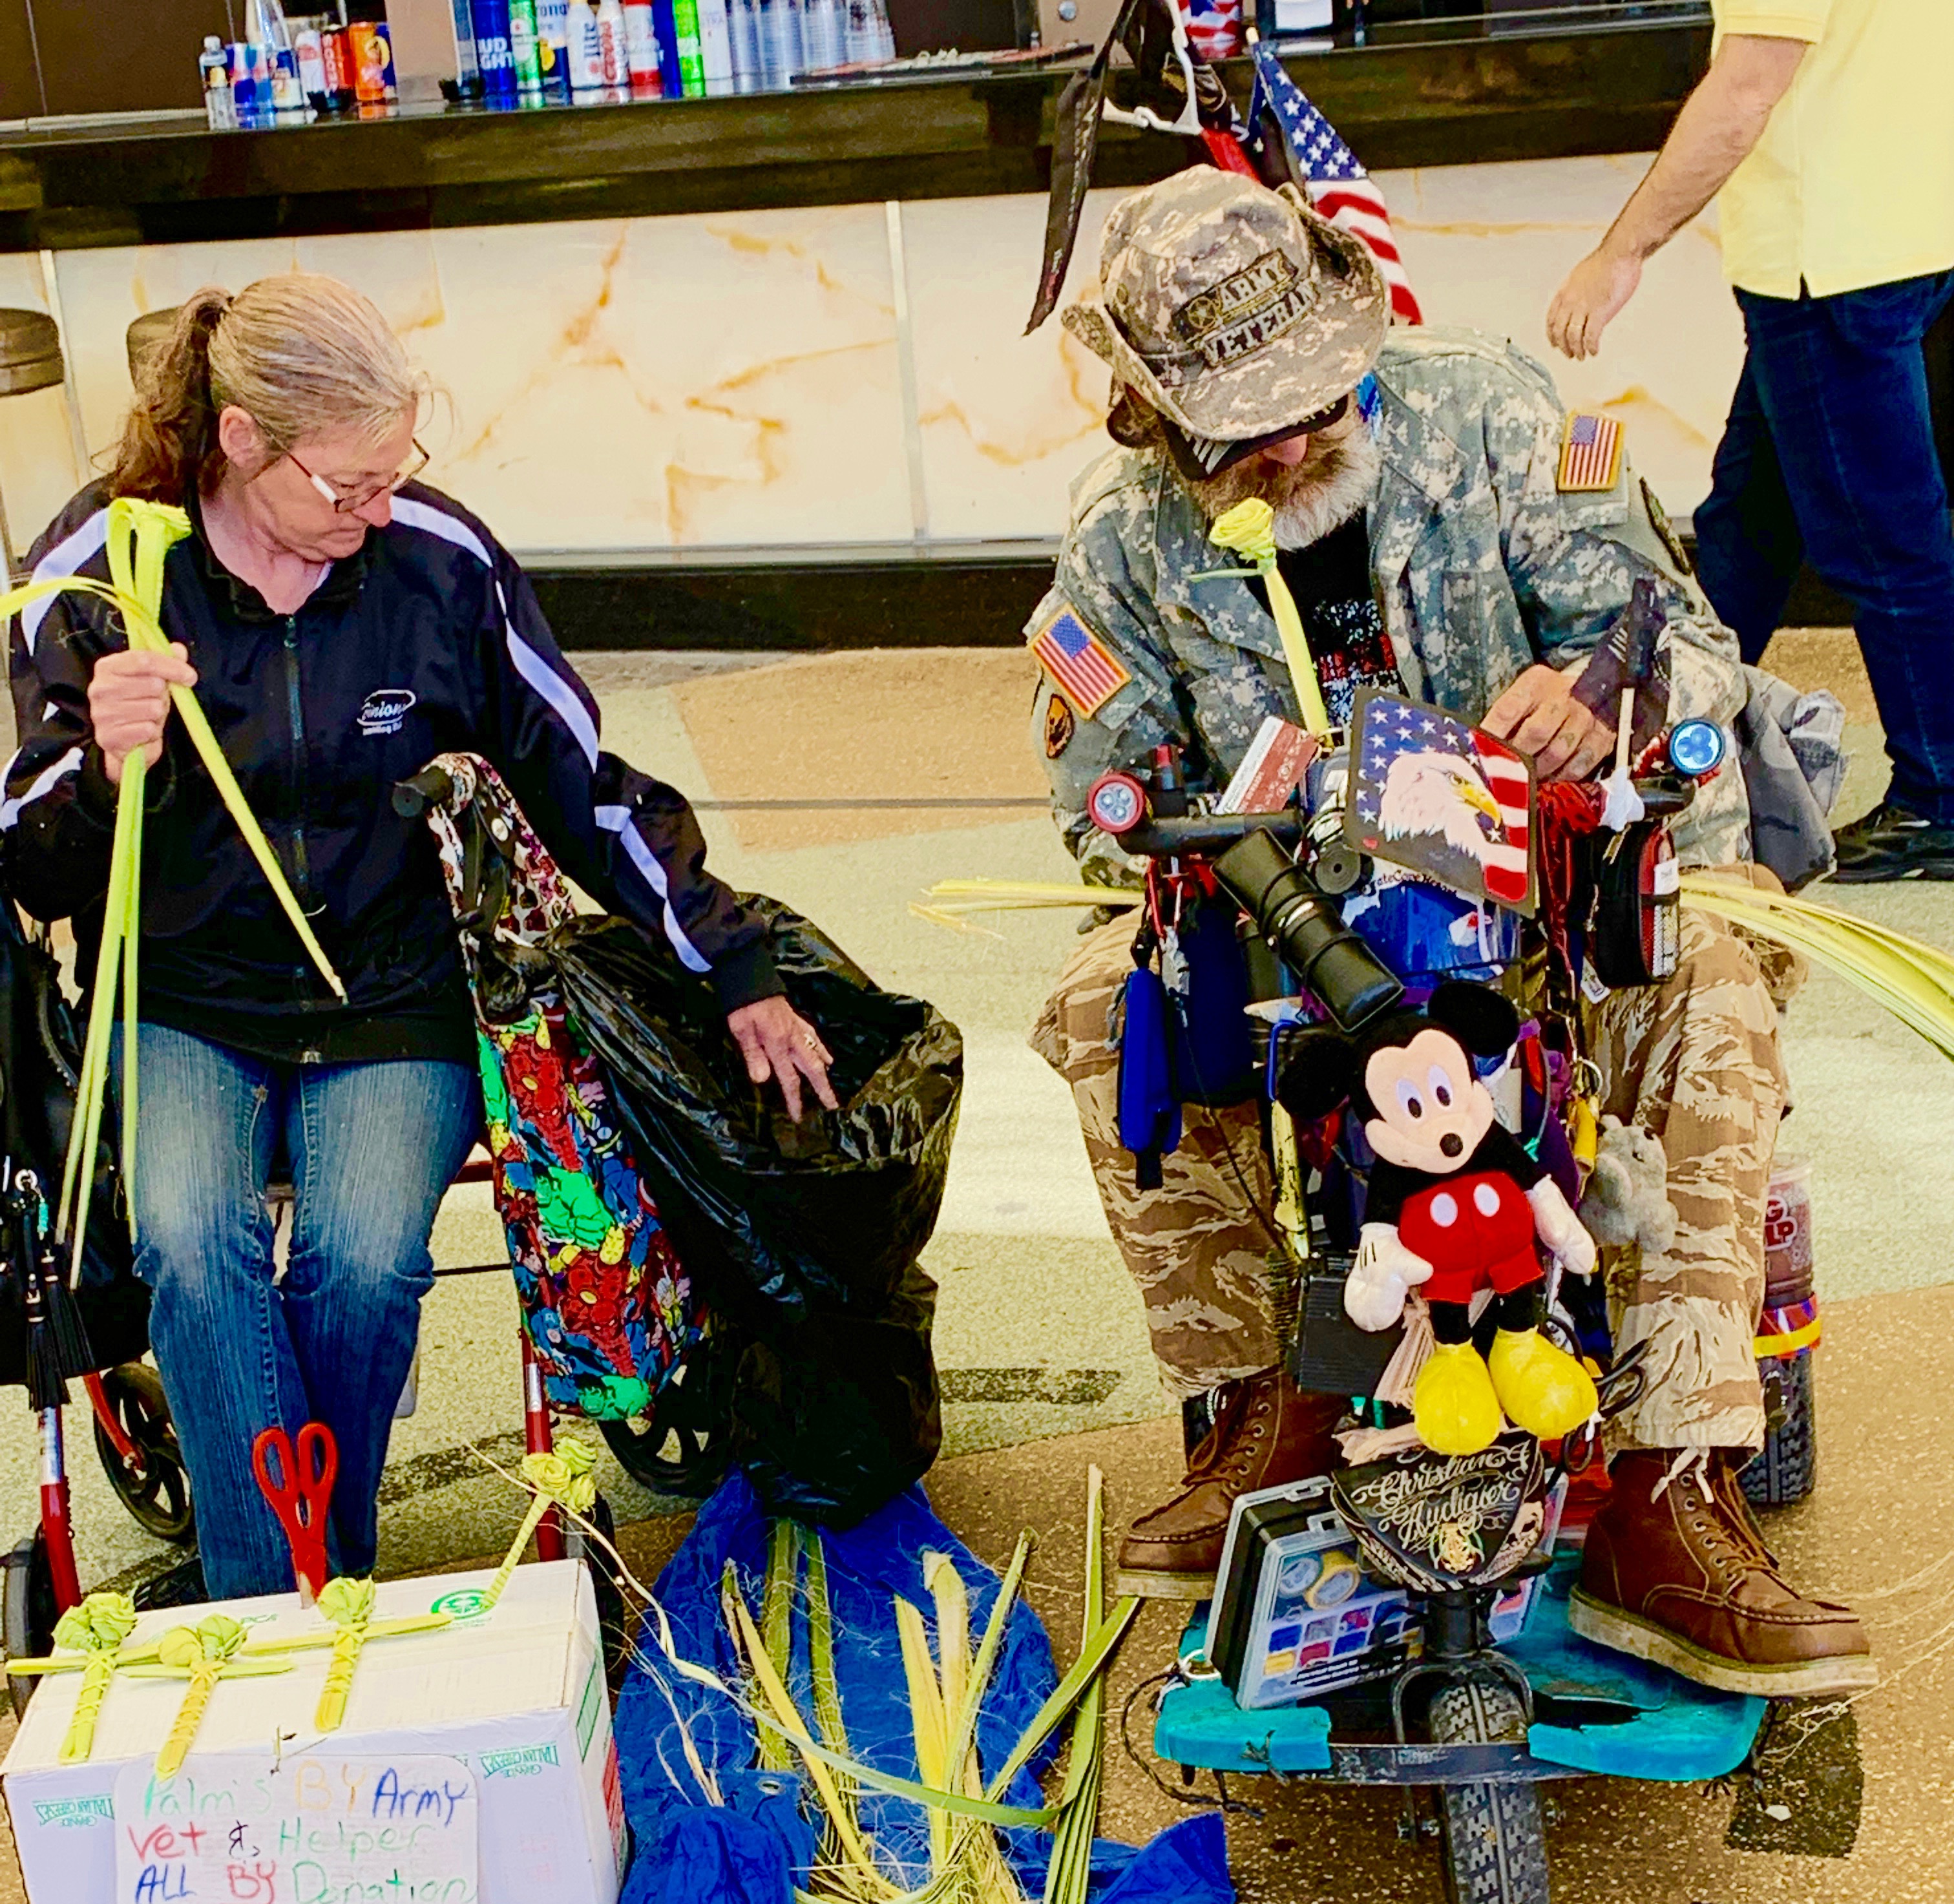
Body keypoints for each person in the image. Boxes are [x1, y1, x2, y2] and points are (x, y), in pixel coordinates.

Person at [1029, 165, 1870, 1699]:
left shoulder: (1495, 421)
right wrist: (1222, 809)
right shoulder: (1125, 541)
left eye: (1312, 399)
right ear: (1150, 415)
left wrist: (1598, 699)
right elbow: (1095, 788)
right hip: (1300, 933)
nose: (1290, 443)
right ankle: (1268, 1408)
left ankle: (1672, 1487)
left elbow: (1686, 644)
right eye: (1241, 427)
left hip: (1560, 899)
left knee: (1711, 990)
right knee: (1105, 996)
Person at [2, 274, 834, 1601]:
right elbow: (29, 855)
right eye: (348, 485)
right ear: (241, 441)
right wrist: (104, 768)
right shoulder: (103, 570)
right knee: (192, 1250)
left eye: (395, 473)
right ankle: (274, 1600)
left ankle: (317, 1573)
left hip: (392, 989)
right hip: (180, 995)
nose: (377, 510)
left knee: (366, 1259)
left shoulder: (439, 563)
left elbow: (578, 782)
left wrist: (731, 960)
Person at [1547, 0, 1954, 883]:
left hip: (1830, 267)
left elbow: (1743, 92)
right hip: (1894, 238)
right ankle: (1679, 740)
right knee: (1748, 528)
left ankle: (1941, 798)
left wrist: (1620, 254)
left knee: (1887, 543)